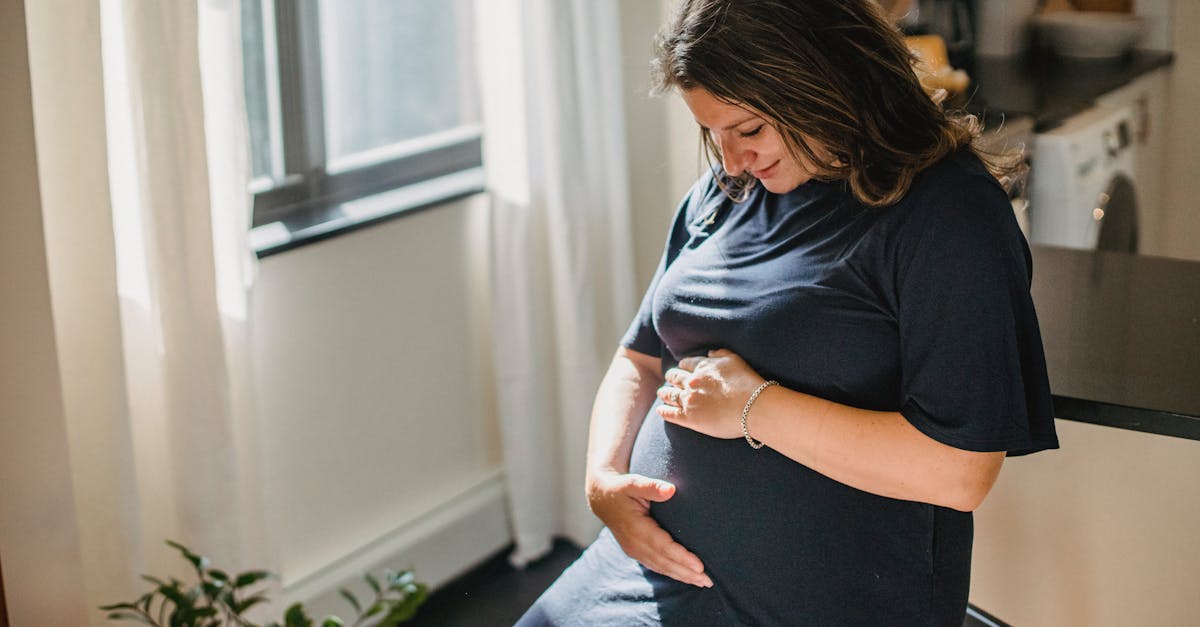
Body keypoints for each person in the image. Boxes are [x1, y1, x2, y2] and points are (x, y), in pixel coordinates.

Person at [517, 0, 1059, 624]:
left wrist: (754, 406)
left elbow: (960, 473)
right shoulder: (726, 194)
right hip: (644, 565)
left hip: (811, 601)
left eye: (748, 130)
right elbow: (639, 358)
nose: (730, 161)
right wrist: (604, 481)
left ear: (823, 83)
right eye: (714, 134)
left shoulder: (947, 213)